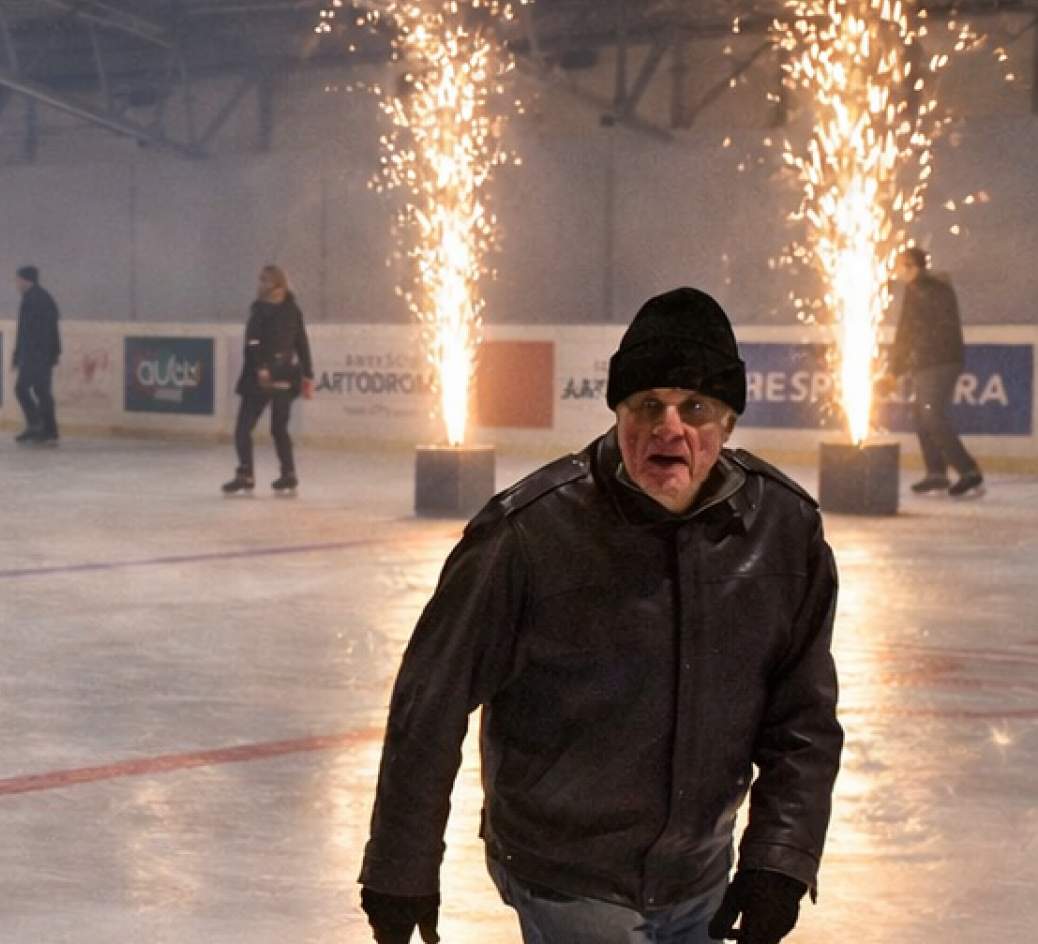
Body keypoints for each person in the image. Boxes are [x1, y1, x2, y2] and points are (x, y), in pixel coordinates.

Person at [359, 287, 842, 944]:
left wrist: (779, 858)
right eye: (647, 405)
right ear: (618, 413)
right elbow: (432, 699)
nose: (669, 427)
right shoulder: (529, 533)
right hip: (567, 873)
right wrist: (401, 865)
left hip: (700, 871)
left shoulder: (783, 531)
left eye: (695, 408)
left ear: (728, 424)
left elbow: (803, 718)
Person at [888, 246, 983, 498]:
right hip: (932, 361)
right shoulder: (926, 287)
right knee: (923, 416)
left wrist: (895, 369)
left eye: (900, 265)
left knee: (932, 417)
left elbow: (909, 331)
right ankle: (936, 473)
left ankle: (969, 471)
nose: (896, 270)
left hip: (938, 362)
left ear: (912, 265)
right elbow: (910, 332)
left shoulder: (924, 290)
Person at [225, 265, 312, 494]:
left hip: (261, 380)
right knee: (279, 428)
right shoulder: (292, 309)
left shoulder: (260, 309)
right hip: (285, 377)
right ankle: (289, 473)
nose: (260, 284)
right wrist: (307, 374)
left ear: (277, 284)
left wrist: (261, 367)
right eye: (260, 280)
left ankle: (246, 474)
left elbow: (253, 342)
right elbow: (301, 343)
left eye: (265, 280)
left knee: (243, 428)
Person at [11, 266, 62, 447]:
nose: (15, 283)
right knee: (41, 390)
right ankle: (47, 429)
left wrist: (22, 355)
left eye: (17, 279)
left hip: (37, 354)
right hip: (40, 353)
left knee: (24, 389)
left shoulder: (35, 299)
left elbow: (31, 332)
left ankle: (38, 426)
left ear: (26, 280)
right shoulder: (37, 297)